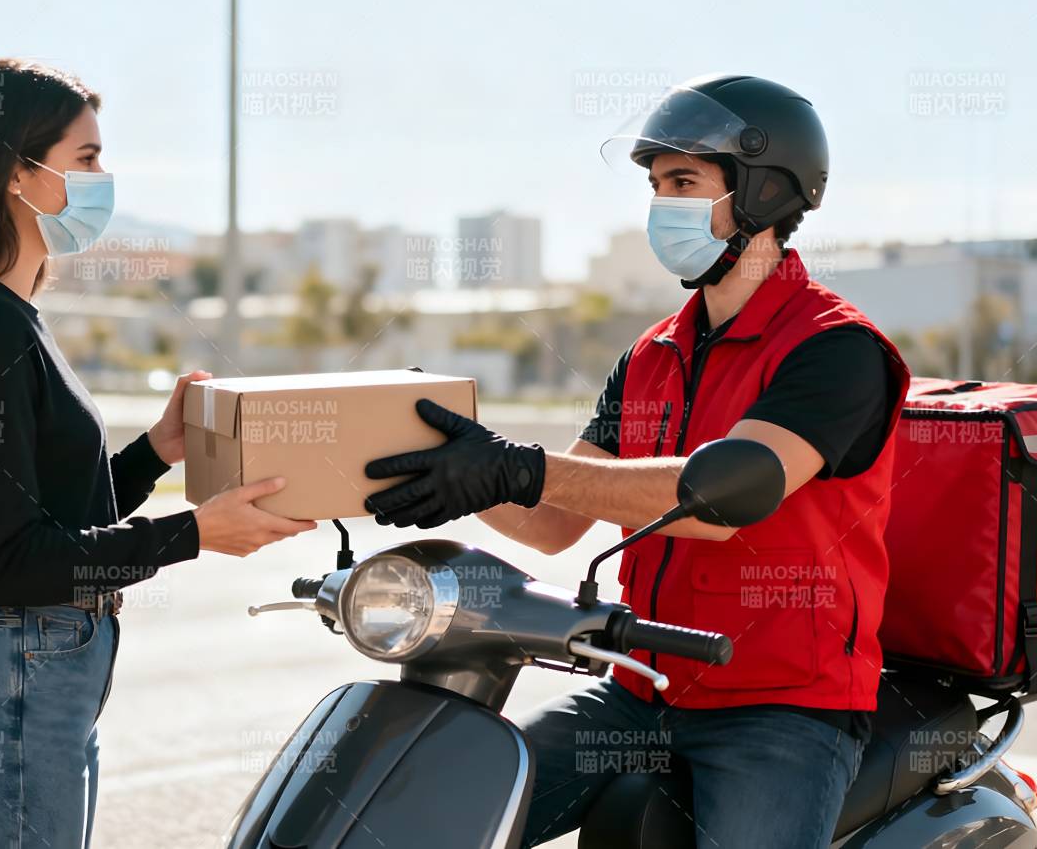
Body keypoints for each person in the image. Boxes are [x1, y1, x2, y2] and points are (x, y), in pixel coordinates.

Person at [364, 74, 909, 848]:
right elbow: (554, 522)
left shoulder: (834, 351)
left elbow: (722, 501)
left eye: (684, 182)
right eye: (656, 187)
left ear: (762, 192)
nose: (663, 206)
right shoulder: (653, 355)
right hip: (637, 690)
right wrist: (458, 470)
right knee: (444, 811)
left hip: (782, 708)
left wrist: (522, 465)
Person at [0, 58, 314, 848]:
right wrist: (197, 534)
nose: (105, 178)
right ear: (14, 172)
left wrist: (156, 453)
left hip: (31, 681)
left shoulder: (5, 317)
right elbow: (12, 560)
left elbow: (42, 512)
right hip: (10, 679)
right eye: (87, 158)